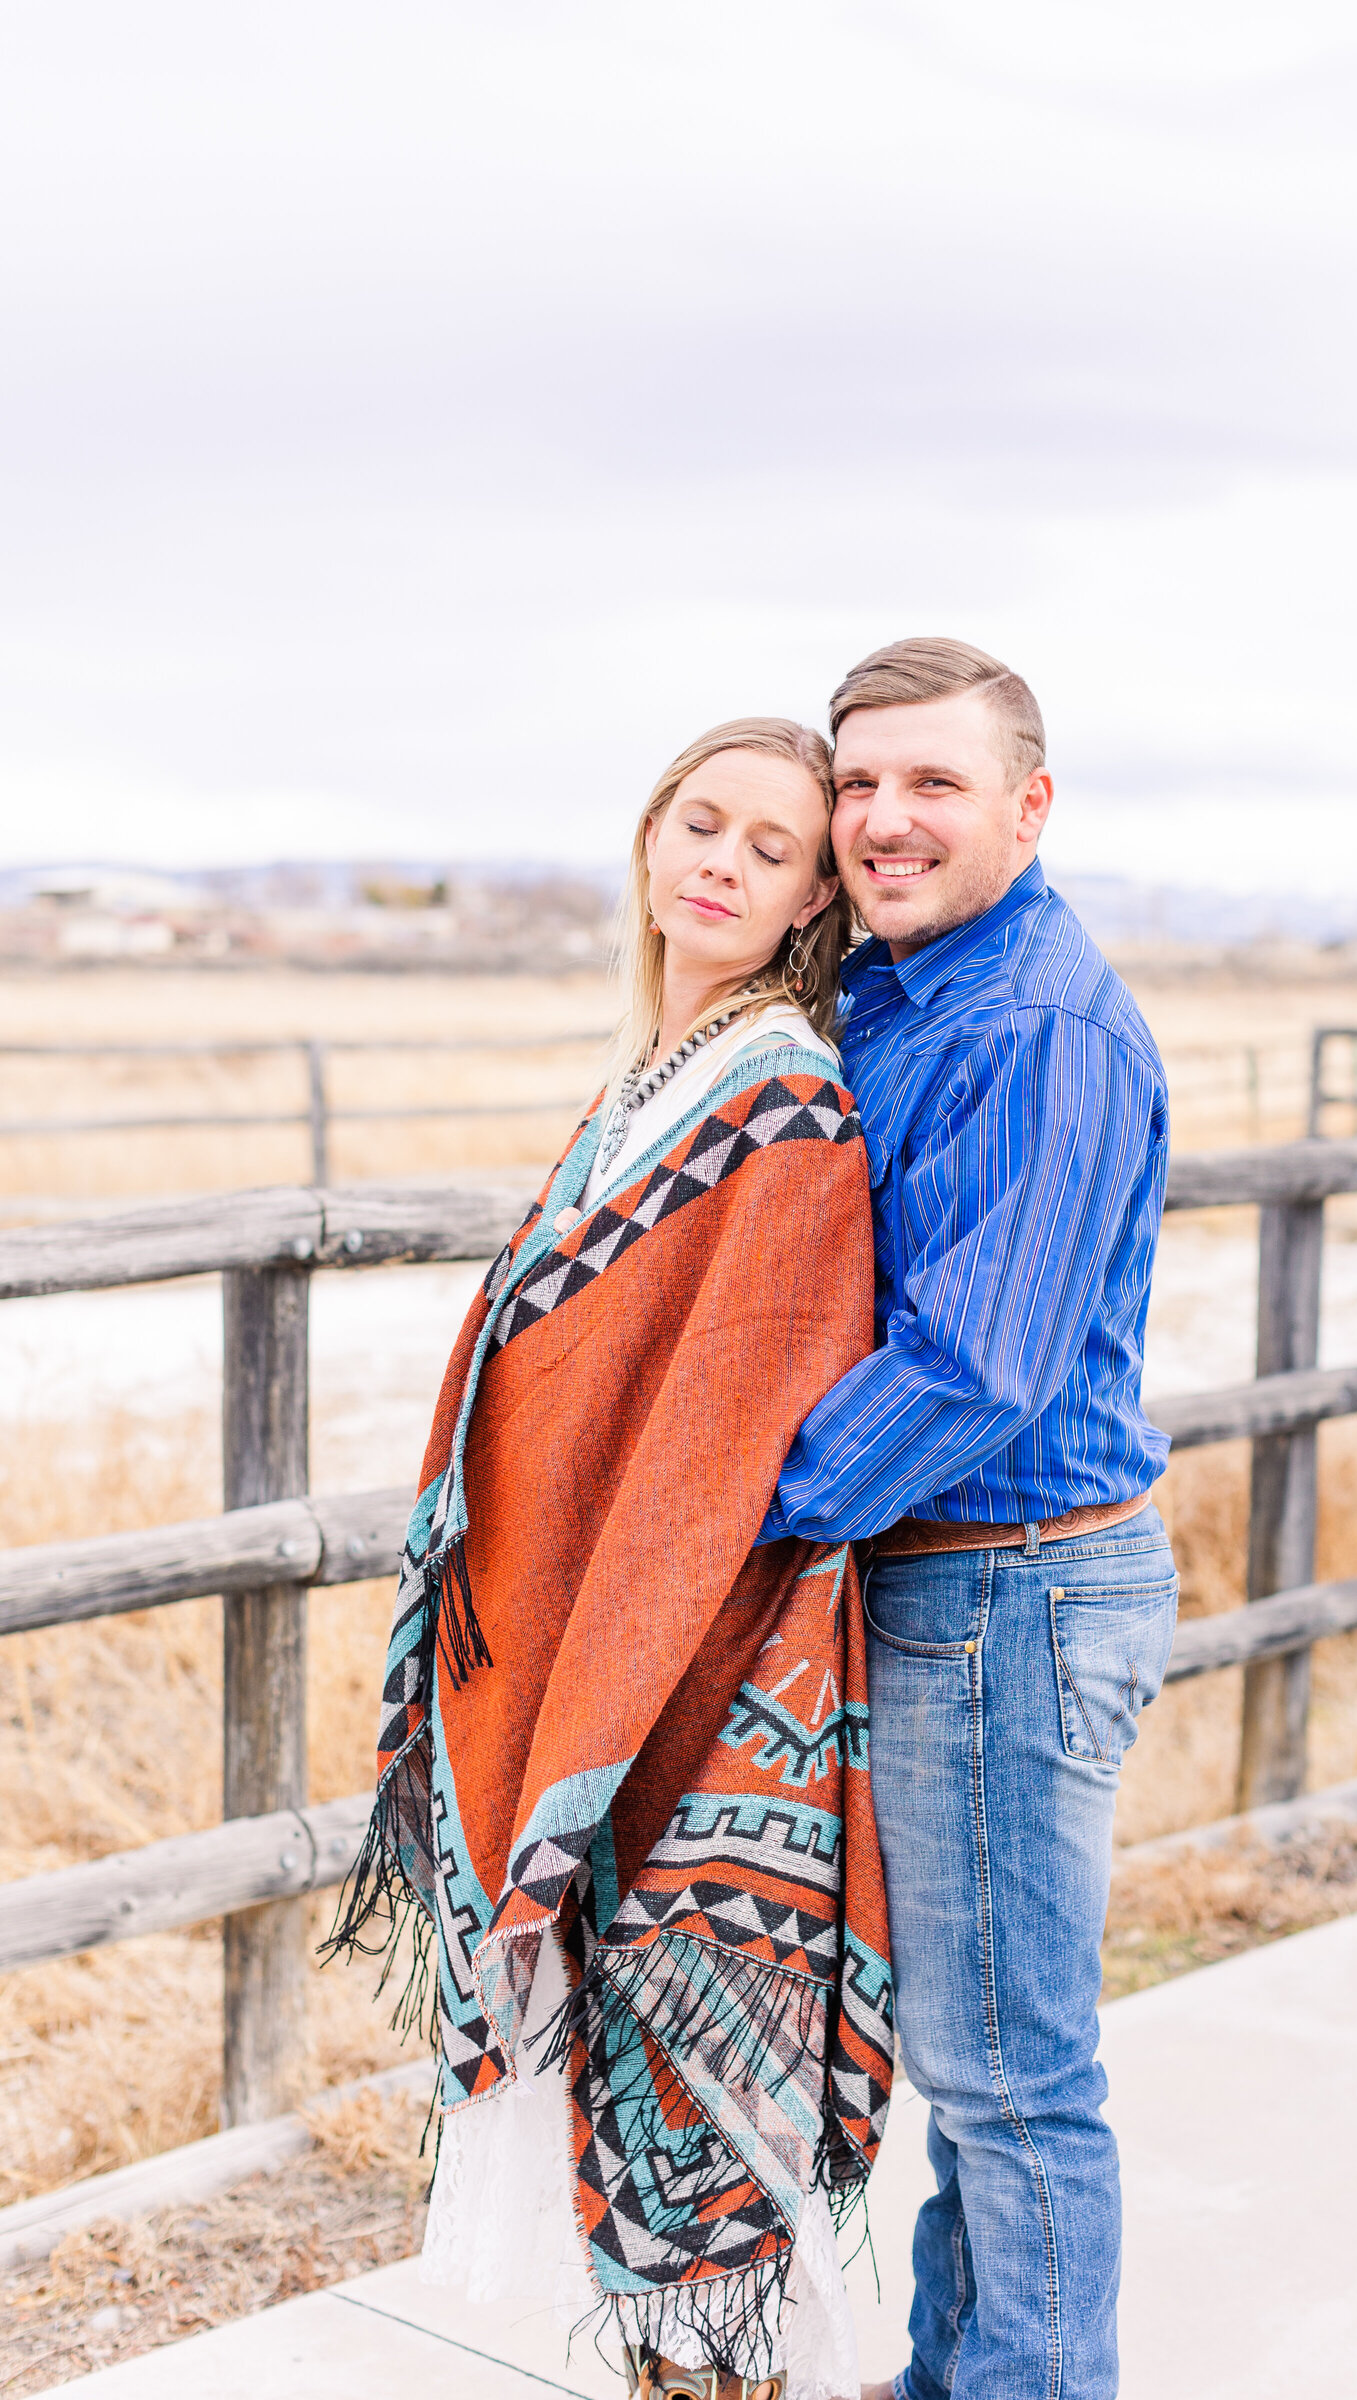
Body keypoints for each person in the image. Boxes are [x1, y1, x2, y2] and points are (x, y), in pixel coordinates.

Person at [327, 719, 896, 2400]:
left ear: (807, 902)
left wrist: (630, 1663)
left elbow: (733, 1420)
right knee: (614, 2091)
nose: (722, 858)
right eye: (700, 822)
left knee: (696, 2118)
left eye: (770, 846)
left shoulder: (783, 1101)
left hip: (696, 1669)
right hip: (578, 1634)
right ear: (650, 842)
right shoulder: (647, 1079)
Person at [755, 640, 1177, 2400]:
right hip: (957, 1588)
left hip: (1012, 1590)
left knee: (1012, 2071)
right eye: (858, 784)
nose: (882, 819)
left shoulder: (1035, 1027)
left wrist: (738, 1515)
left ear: (1029, 803)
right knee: (972, 2051)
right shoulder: (903, 987)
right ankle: (961, 2375)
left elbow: (973, 1367)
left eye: (932, 783)